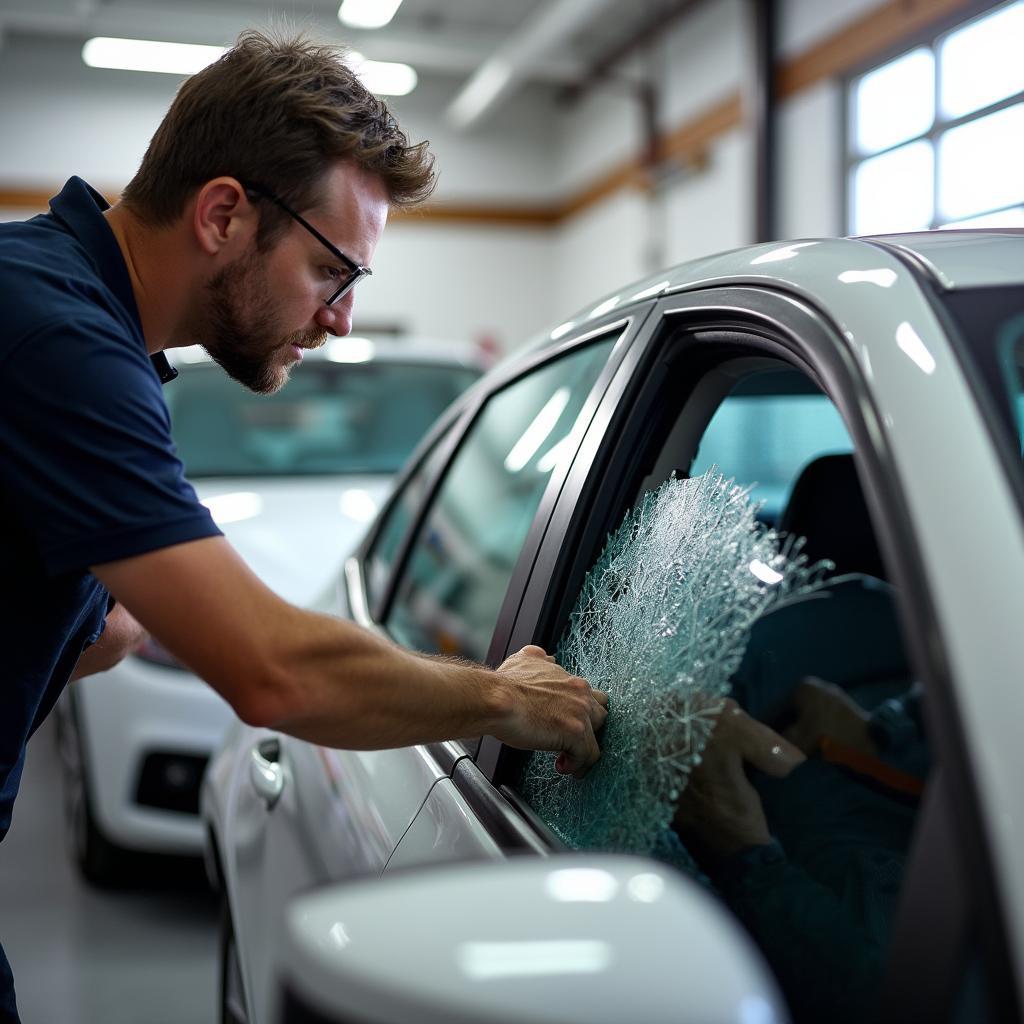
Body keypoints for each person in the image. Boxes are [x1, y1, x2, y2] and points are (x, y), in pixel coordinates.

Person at [0, 31, 608, 1023]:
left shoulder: (63, 306)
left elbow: (111, 629)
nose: (342, 320)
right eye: (334, 271)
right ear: (225, 213)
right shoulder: (59, 341)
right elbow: (269, 671)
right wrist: (503, 697)